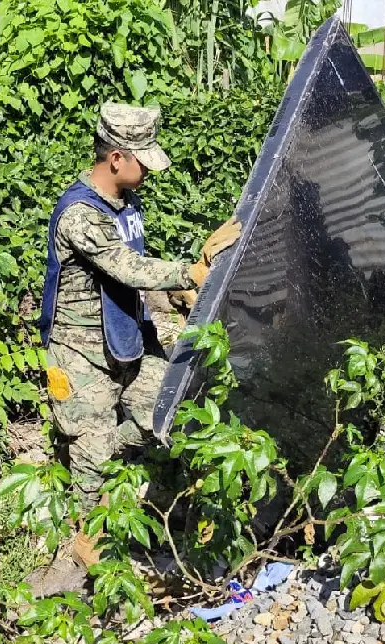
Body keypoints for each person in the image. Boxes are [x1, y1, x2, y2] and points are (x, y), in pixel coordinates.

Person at [31, 102, 241, 593]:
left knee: (164, 416)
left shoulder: (125, 205)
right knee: (90, 448)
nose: (148, 169)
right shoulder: (80, 215)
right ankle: (87, 535)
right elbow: (124, 267)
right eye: (142, 159)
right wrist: (193, 270)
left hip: (127, 338)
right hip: (80, 352)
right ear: (116, 158)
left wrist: (179, 293)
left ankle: (139, 498)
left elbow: (135, 270)